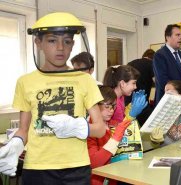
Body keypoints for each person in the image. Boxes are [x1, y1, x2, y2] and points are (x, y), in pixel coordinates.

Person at [0, 12, 106, 185]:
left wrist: (78, 126)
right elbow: (24, 130)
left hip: (76, 168)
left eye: (67, 41)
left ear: (73, 45)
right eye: (51, 40)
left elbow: (100, 129)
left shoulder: (85, 80)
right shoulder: (25, 82)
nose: (60, 47)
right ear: (38, 42)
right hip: (37, 168)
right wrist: (15, 145)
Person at [88, 85, 131, 185]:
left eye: (114, 106)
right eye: (107, 106)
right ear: (94, 106)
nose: (111, 110)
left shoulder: (113, 124)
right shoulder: (90, 129)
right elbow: (94, 163)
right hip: (98, 181)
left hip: (113, 178)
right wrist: (115, 138)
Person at [153, 24, 181, 106]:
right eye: (177, 35)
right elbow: (163, 81)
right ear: (167, 37)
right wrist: (179, 96)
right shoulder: (159, 55)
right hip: (168, 103)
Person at [125, 49, 155, 125]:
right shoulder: (151, 64)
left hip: (127, 101)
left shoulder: (130, 63)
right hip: (141, 102)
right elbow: (157, 82)